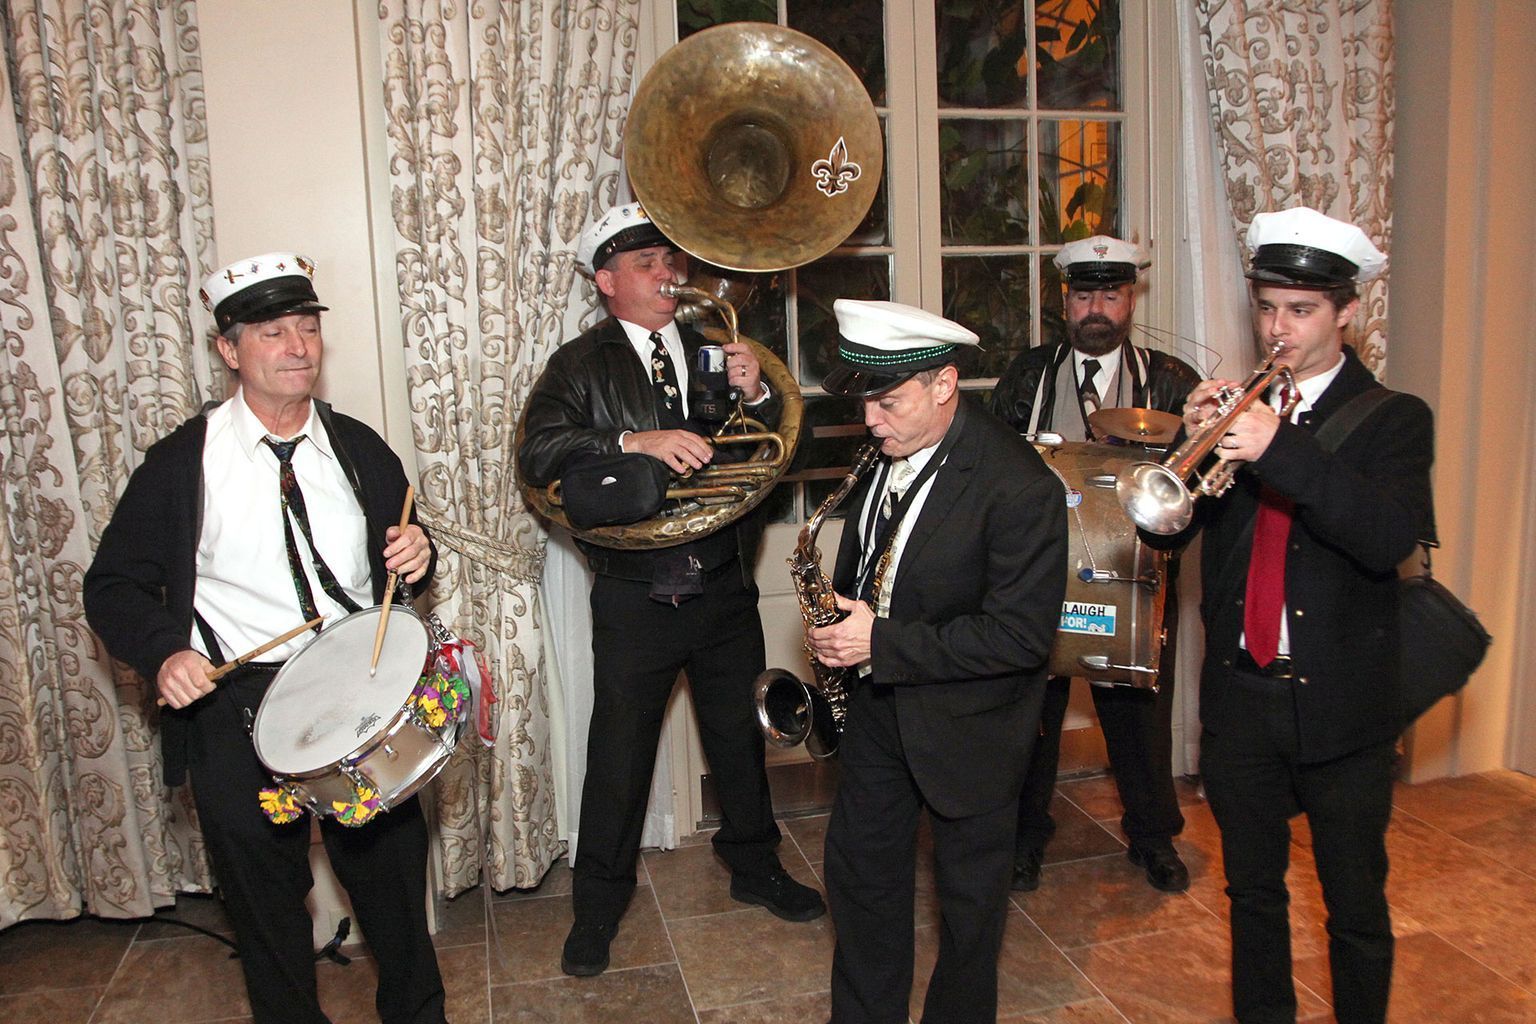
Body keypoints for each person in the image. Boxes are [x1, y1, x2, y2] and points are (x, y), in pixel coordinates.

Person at [83, 252, 447, 1024]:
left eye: (308, 327)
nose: (297, 347)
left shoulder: (356, 446)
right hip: (236, 708)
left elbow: (405, 546)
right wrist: (164, 651)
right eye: (273, 332)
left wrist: (418, 552)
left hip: (359, 700)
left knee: (391, 894)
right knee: (268, 914)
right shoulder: (184, 464)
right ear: (228, 350)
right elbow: (111, 584)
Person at [517, 203, 824, 978]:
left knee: (739, 738)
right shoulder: (577, 366)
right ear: (607, 281)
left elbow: (783, 446)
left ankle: (755, 869)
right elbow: (539, 450)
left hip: (722, 583)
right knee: (618, 757)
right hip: (635, 595)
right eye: (648, 265)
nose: (668, 276)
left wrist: (757, 396)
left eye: (670, 262)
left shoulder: (716, 347)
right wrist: (630, 440)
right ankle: (597, 912)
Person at [1176, 207, 1433, 1023]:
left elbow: (1386, 537)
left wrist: (1277, 446)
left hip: (1341, 704)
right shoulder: (1237, 410)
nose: (1277, 328)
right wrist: (1186, 457)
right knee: (1252, 894)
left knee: (1353, 904)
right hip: (1241, 695)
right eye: (1265, 306)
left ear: (1348, 311)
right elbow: (1180, 532)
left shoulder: (1394, 417)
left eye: (1301, 309)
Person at [807, 299, 1067, 1024]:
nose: (871, 421)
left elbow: (1020, 639)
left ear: (945, 384)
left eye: (888, 401)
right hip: (880, 712)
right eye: (866, 402)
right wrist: (844, 616)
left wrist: (878, 641)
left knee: (968, 914)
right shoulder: (884, 455)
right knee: (860, 884)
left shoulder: (1021, 487)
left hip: (971, 730)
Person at [989, 235, 1200, 893]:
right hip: (1041, 571)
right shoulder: (1028, 375)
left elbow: (1199, 485)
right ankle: (1025, 836)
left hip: (1133, 570)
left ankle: (1153, 835)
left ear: (1131, 297)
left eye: (1111, 293)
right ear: (1065, 299)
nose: (1097, 308)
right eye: (1085, 295)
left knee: (1138, 711)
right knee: (1032, 715)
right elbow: (993, 468)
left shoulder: (1171, 381)